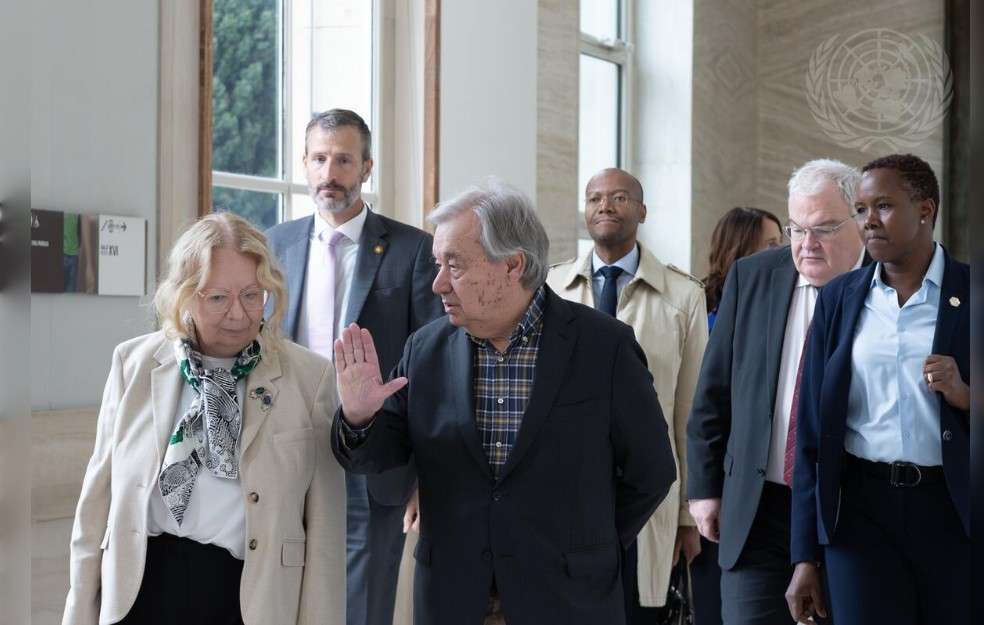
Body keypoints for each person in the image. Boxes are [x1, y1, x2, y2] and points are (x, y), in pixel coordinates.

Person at [331, 179, 675, 625]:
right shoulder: (425, 350)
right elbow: (382, 457)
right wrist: (359, 415)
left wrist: (590, 546)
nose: (437, 284)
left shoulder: (604, 347)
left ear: (512, 265)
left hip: (568, 599)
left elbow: (651, 471)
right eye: (438, 264)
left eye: (453, 265)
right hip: (454, 598)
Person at [62, 213, 345, 625]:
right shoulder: (134, 364)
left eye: (252, 295)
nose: (238, 314)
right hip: (138, 587)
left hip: (247, 597)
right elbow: (97, 504)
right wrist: (77, 614)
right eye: (218, 298)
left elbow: (324, 538)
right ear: (184, 296)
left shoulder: (310, 379)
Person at [266, 108, 441, 625]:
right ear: (304, 163)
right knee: (278, 598)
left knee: (361, 608)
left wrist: (427, 477)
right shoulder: (275, 245)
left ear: (366, 167)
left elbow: (431, 371)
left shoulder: (412, 251)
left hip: (375, 461)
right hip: (286, 449)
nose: (329, 173)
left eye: (343, 160)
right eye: (319, 159)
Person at [787, 154, 970, 625]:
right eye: (863, 209)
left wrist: (964, 394)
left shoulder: (979, 294)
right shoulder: (839, 300)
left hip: (956, 513)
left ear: (925, 209)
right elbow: (812, 432)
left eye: (884, 206)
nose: (869, 220)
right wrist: (805, 556)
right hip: (861, 516)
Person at [686, 158, 866, 625]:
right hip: (759, 503)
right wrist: (704, 489)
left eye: (824, 229)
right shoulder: (754, 276)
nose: (807, 245)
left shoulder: (884, 286)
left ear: (861, 219)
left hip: (851, 509)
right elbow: (714, 391)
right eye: (796, 229)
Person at [547, 168, 708, 624]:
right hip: (568, 487)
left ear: (641, 210)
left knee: (637, 610)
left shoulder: (683, 295)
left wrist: (686, 517)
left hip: (645, 490)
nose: (605, 205)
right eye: (595, 197)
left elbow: (690, 411)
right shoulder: (552, 289)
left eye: (618, 197)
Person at [703, 207, 783, 332]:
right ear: (742, 249)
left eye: (780, 242)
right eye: (771, 244)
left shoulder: (780, 299)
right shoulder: (702, 308)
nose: (782, 251)